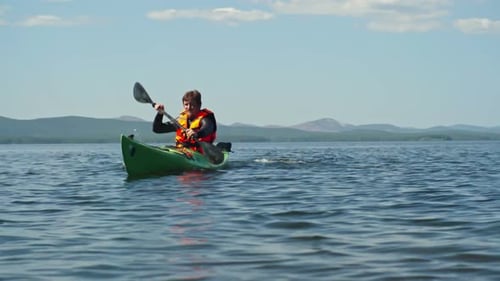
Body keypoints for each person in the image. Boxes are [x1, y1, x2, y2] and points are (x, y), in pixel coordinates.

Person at [152, 89, 217, 153]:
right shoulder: (180, 121)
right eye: (186, 104)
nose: (188, 107)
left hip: (200, 154)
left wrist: (197, 133)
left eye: (192, 105)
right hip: (182, 152)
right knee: (166, 147)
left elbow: (208, 128)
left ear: (199, 105)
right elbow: (157, 129)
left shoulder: (206, 119)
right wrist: (160, 114)